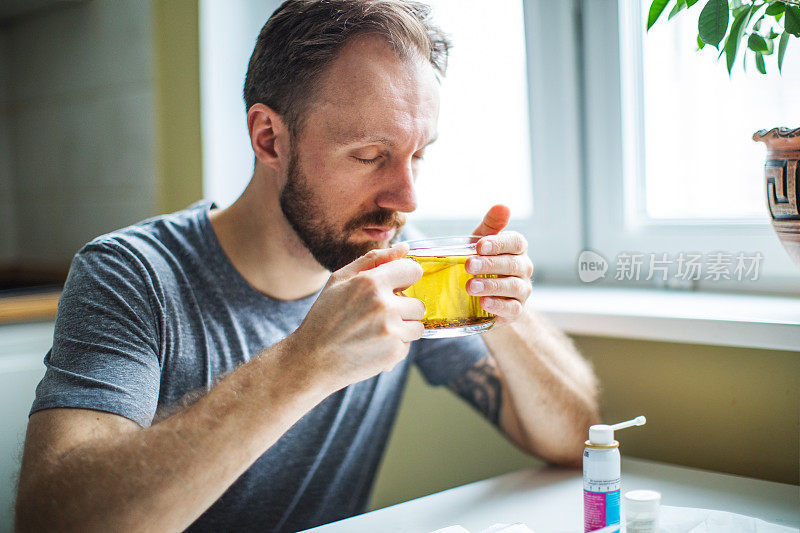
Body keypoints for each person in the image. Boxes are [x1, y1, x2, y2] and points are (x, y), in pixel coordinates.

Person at [14, 1, 600, 531]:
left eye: (418, 154)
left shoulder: (398, 262)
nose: (408, 198)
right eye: (371, 155)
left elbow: (575, 440)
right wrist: (305, 362)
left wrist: (504, 308)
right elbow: (54, 522)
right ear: (269, 138)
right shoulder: (131, 275)